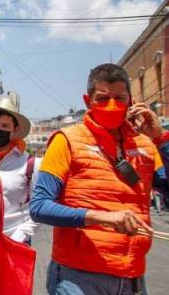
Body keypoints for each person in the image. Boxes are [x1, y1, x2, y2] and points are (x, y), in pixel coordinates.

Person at [30, 63, 168, 295]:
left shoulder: (144, 144)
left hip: (133, 276)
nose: (112, 106)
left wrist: (160, 138)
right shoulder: (67, 141)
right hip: (79, 277)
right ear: (87, 101)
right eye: (103, 99)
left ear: (132, 102)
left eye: (120, 98)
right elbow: (39, 206)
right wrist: (101, 217)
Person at [0, 98, 39, 244]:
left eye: (5, 126)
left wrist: (18, 238)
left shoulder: (30, 164)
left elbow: (38, 208)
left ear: (15, 130)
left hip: (14, 241)